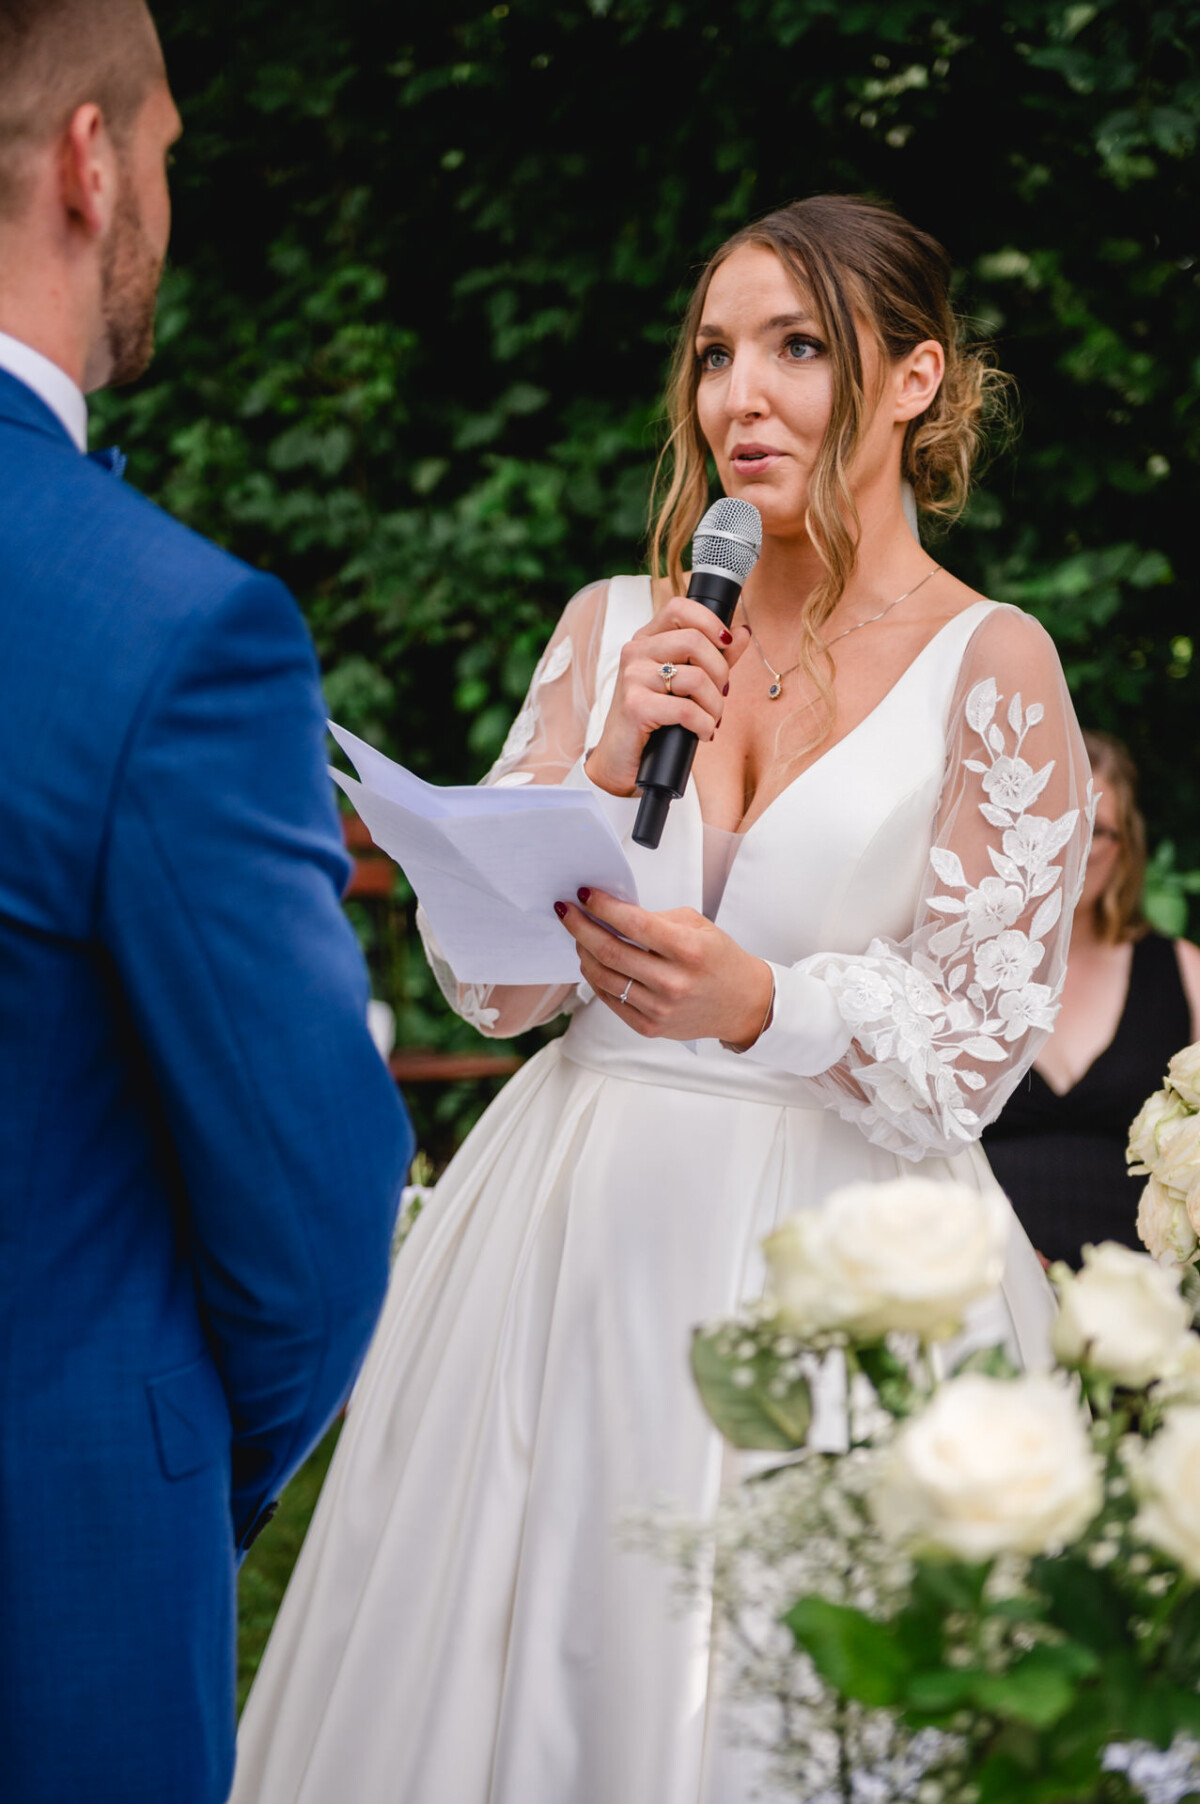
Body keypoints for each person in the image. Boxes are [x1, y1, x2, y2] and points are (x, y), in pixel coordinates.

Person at [234, 195, 1093, 1804]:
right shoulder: (616, 628)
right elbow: (488, 985)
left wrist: (768, 1001)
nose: (735, 400)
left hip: (842, 1258)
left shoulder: (996, 663)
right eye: (713, 355)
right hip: (571, 1231)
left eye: (793, 350)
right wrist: (606, 763)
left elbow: (977, 1052)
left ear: (914, 380)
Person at [0, 5, 414, 1801]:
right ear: (92, 162)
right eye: (163, 141)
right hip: (53, 1589)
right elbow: (315, 1212)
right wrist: (162, 1462)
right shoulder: (174, 631)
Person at [983, 731, 1200, 1265]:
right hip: (980, 1275)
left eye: (1095, 830)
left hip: (1141, 1293)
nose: (1072, 847)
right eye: (1055, 824)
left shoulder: (1185, 971)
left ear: (1125, 847)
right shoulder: (961, 970)